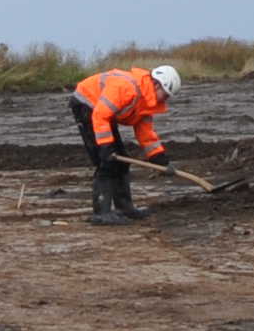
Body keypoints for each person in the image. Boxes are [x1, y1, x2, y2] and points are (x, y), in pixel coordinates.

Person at [72, 62, 182, 223]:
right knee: (106, 161)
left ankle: (124, 208)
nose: (165, 100)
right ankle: (101, 213)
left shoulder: (146, 102)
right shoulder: (126, 87)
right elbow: (100, 115)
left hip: (101, 113)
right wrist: (105, 146)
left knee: (122, 160)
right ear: (157, 85)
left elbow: (146, 134)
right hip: (87, 104)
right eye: (165, 95)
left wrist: (159, 158)